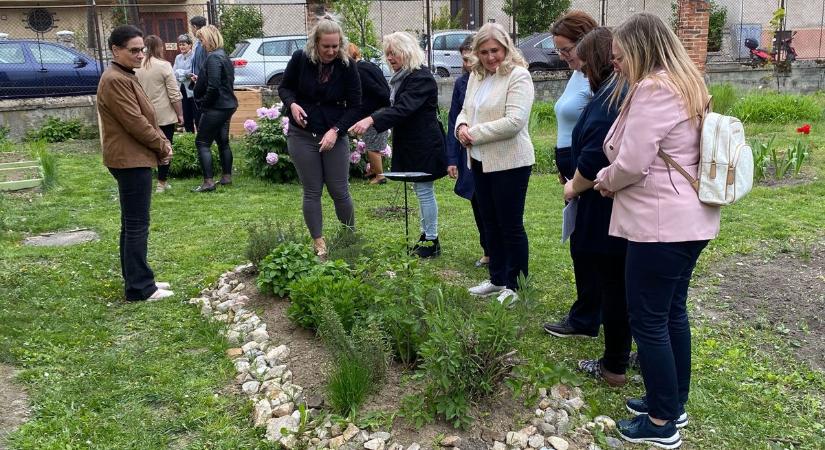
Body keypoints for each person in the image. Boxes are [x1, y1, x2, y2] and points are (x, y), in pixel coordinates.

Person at [593, 13, 721, 448]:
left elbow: (631, 162)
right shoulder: (688, 83)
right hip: (689, 221)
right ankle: (671, 402)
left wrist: (604, 181)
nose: (617, 65)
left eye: (620, 56)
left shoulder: (653, 88)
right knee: (670, 315)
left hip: (662, 225)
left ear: (640, 49)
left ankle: (663, 422)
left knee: (648, 320)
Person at [559, 27, 631, 387]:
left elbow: (593, 159)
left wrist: (572, 187)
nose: (581, 71)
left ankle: (613, 364)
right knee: (620, 286)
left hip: (603, 208)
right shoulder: (614, 93)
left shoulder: (607, 101)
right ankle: (626, 354)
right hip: (612, 206)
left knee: (614, 287)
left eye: (584, 64)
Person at [456, 23, 535, 303]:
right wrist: (461, 126)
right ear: (477, 53)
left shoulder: (518, 76)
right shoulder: (476, 76)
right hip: (479, 160)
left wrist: (472, 134)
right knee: (489, 221)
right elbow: (465, 109)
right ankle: (497, 278)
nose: (491, 58)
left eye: (496, 51)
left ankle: (515, 284)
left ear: (506, 48)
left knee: (510, 223)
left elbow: (514, 122)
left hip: (510, 162)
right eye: (485, 52)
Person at [350, 31, 447, 258]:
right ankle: (426, 236)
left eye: (394, 53)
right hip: (413, 143)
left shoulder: (420, 77)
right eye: (388, 54)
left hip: (424, 144)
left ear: (407, 52)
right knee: (420, 189)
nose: (390, 58)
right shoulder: (403, 77)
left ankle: (431, 240)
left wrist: (371, 120)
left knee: (424, 191)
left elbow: (403, 109)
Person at [97, 24, 174, 301]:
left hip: (132, 157)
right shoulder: (115, 79)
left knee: (131, 223)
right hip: (129, 159)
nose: (140, 54)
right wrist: (162, 144)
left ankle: (138, 279)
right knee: (136, 224)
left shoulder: (124, 74)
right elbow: (135, 122)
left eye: (142, 49)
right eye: (134, 50)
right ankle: (141, 288)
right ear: (115, 50)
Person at [279, 16, 362, 258]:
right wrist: (292, 104)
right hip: (302, 134)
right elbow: (285, 88)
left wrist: (336, 131)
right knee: (312, 190)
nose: (331, 51)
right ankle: (319, 242)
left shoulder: (347, 66)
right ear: (315, 43)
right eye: (326, 46)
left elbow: (356, 106)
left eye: (335, 46)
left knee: (339, 190)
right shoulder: (300, 60)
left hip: (334, 132)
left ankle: (349, 236)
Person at [542, 10, 602, 338]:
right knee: (581, 241)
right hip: (573, 166)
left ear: (586, 42)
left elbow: (598, 129)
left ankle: (587, 317)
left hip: (587, 169)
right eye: (559, 51)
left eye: (566, 49)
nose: (563, 57)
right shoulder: (577, 73)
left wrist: (578, 173)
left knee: (586, 244)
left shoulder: (597, 76)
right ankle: (592, 310)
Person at [446, 33, 489, 268]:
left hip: (490, 149)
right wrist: (452, 158)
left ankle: (499, 250)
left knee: (490, 202)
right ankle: (488, 250)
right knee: (475, 199)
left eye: (470, 58)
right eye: (463, 59)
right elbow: (454, 118)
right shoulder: (462, 82)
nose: (466, 64)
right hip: (467, 151)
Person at [192, 25, 238, 192]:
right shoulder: (224, 56)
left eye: (201, 39)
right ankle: (226, 177)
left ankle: (208, 182)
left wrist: (204, 103)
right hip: (227, 104)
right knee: (223, 142)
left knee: (202, 142)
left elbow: (214, 86)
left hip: (216, 107)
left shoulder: (213, 58)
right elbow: (221, 81)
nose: (201, 43)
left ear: (209, 39)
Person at [136, 35, 183, 193]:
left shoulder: (135, 66)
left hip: (141, 114)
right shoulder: (164, 66)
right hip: (163, 115)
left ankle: (144, 181)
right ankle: (161, 183)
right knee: (165, 147)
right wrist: (180, 114)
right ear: (159, 47)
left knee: (144, 148)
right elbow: (174, 93)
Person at [347, 43, 390, 185]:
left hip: (375, 112)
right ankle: (374, 170)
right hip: (383, 109)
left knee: (372, 146)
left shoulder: (359, 71)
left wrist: (364, 111)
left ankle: (380, 176)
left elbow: (376, 92)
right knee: (374, 142)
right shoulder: (370, 65)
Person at [173, 33, 199, 132]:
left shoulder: (194, 56)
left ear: (190, 45)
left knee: (196, 116)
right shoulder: (178, 57)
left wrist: (182, 73)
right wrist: (183, 74)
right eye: (180, 45)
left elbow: (191, 73)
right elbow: (174, 72)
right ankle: (189, 138)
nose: (182, 47)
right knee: (186, 116)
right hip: (182, 90)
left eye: (184, 44)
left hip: (192, 90)